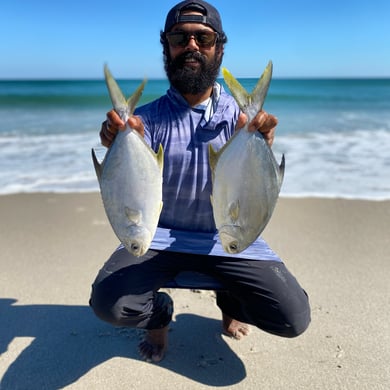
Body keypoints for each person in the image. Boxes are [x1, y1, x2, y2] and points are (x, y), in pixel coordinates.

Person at [90, 0, 310, 363]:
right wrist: (118, 143)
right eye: (180, 37)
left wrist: (263, 144)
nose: (191, 45)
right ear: (167, 47)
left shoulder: (240, 122)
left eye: (203, 39)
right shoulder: (146, 120)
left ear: (219, 48)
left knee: (292, 318)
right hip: (155, 237)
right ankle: (159, 315)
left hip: (229, 236)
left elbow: (253, 185)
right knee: (108, 305)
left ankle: (230, 300)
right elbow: (129, 181)